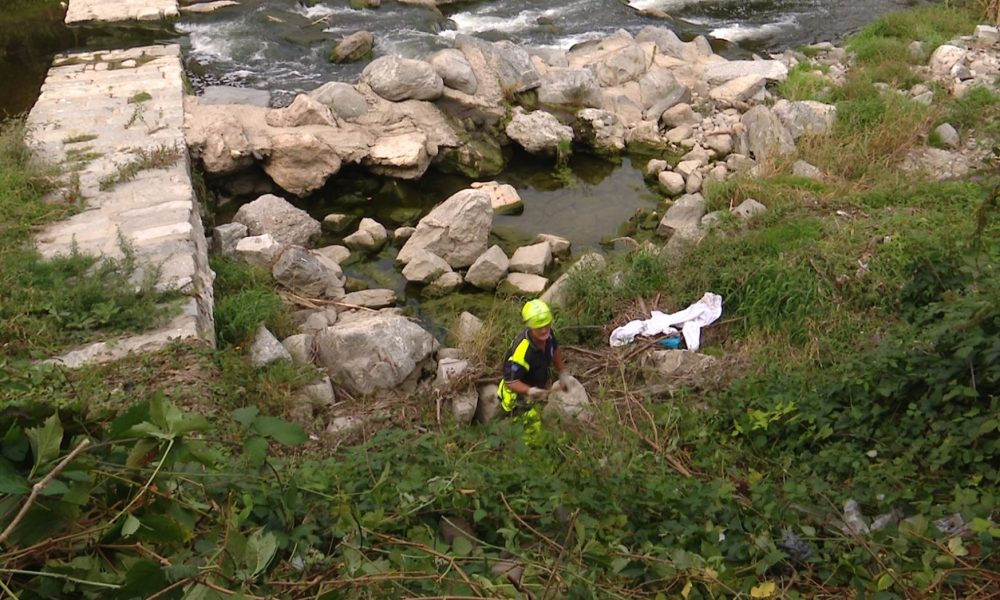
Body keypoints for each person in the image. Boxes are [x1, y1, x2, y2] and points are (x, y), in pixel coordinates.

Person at [497, 299, 570, 444]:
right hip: (518, 396)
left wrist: (562, 372)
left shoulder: (548, 334)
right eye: (539, 328)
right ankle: (531, 449)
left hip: (537, 382)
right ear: (530, 327)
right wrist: (530, 391)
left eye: (546, 325)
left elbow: (554, 350)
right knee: (531, 430)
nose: (544, 330)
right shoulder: (523, 350)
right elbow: (511, 381)